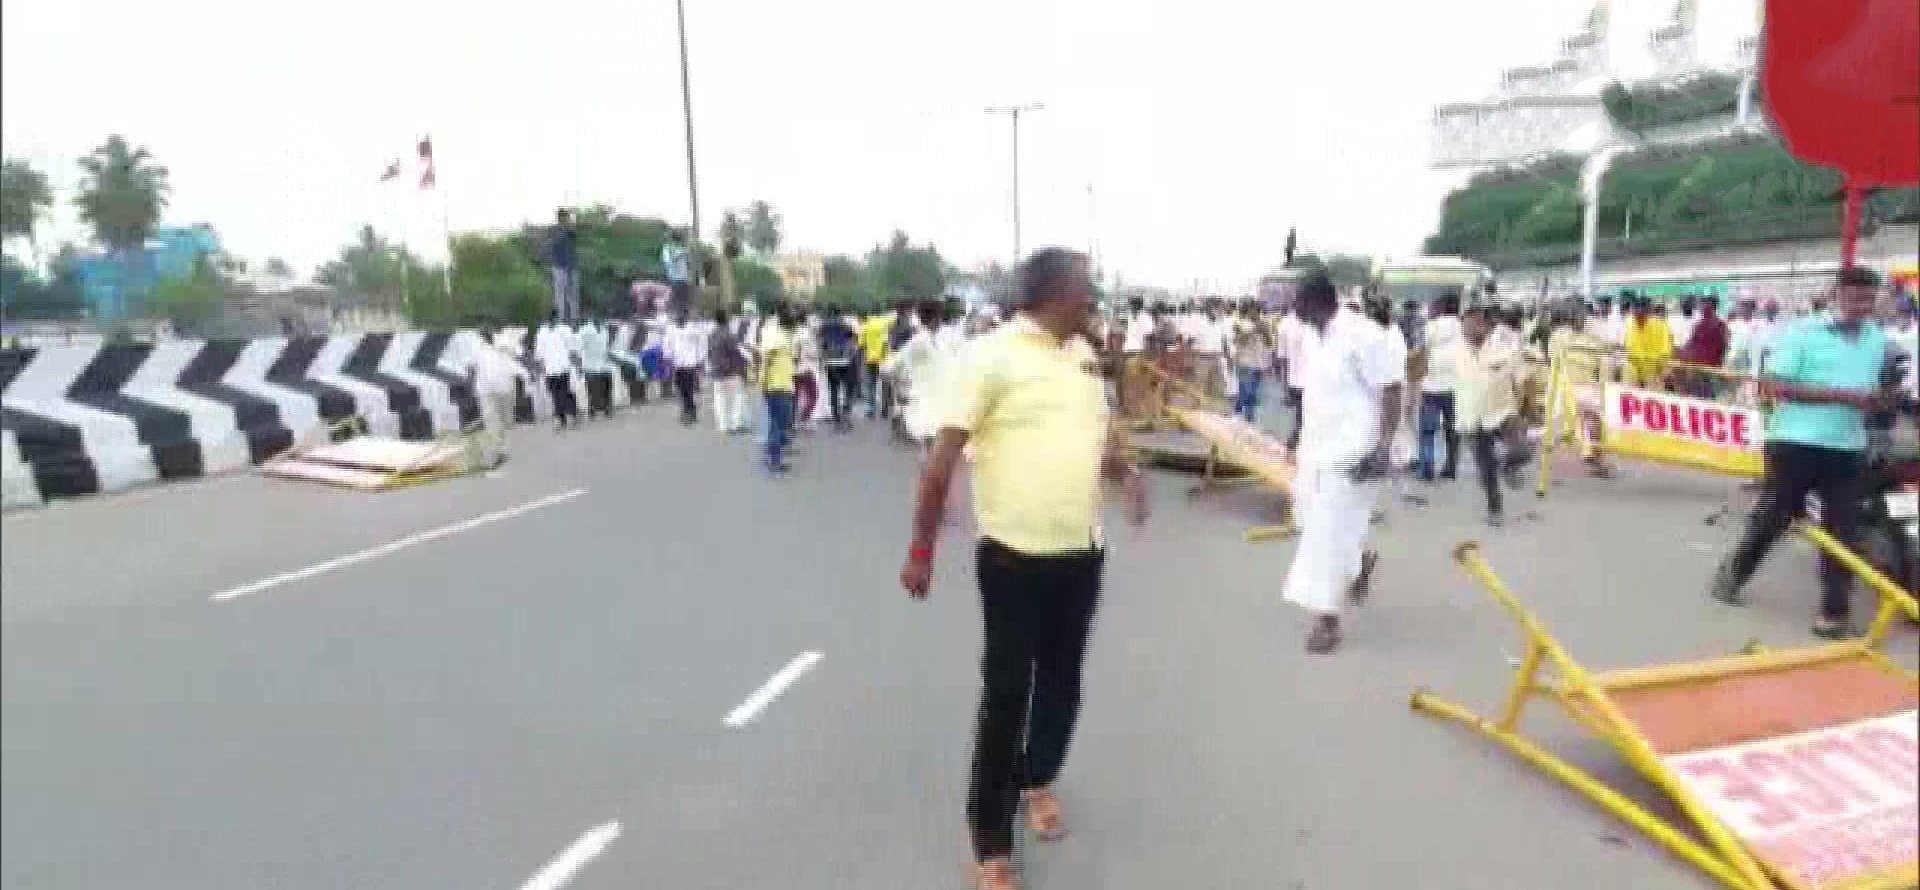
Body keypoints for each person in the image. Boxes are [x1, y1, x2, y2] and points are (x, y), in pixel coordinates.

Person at [899, 247, 1146, 890]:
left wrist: (1126, 473)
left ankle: (1037, 777)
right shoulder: (992, 356)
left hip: (1081, 557)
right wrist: (922, 548)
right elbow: (944, 457)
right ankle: (989, 838)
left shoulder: (1085, 358)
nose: (1091, 298)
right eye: (1083, 289)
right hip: (1013, 559)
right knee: (1008, 692)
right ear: (1050, 294)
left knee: (1063, 683)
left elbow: (1098, 436)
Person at [1710, 268, 1897, 639]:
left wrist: (1883, 401)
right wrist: (1843, 397)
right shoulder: (1801, 333)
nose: (1861, 306)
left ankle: (1834, 612)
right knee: (1775, 518)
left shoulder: (1878, 341)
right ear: (1835, 295)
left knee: (1843, 530)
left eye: (1868, 300)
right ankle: (1735, 572)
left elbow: (1875, 388)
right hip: (1794, 443)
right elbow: (1776, 387)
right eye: (1854, 298)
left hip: (1847, 447)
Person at [1282, 271, 1404, 654]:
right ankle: (1358, 564)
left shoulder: (1363, 335)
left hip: (1354, 454)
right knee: (1317, 526)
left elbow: (1393, 388)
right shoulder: (1308, 338)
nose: (1293, 308)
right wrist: (1295, 437)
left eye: (1297, 301)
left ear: (1318, 301)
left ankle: (1327, 621)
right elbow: (1311, 394)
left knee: (1325, 533)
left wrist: (1383, 447)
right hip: (1315, 451)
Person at [1455, 306, 1528, 525]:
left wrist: (1525, 411)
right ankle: (1494, 507)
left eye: (1474, 323)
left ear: (1487, 326)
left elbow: (1522, 379)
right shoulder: (1456, 349)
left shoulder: (1506, 347)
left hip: (1504, 411)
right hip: (1472, 416)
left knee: (1522, 450)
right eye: (1465, 324)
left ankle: (1508, 466)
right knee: (1485, 468)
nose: (1468, 328)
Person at [1547, 300, 1616, 477]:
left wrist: (1603, 385)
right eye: (1574, 315)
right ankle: (1590, 455)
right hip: (1566, 386)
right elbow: (1553, 360)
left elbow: (1604, 363)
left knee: (1593, 422)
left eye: (1581, 315)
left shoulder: (1594, 338)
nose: (1578, 318)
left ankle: (1593, 456)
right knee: (1581, 423)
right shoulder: (1559, 336)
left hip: (1588, 386)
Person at [1417, 295, 1462, 481]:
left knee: (1428, 431)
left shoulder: (1430, 327)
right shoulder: (1462, 327)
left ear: (1440, 306)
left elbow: (1421, 350)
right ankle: (1450, 469)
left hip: (1431, 386)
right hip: (1456, 387)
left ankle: (1427, 469)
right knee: (1453, 430)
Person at [464, 327, 522, 465]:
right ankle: (496, 453)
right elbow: (470, 367)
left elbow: (516, 359)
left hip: (505, 388)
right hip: (486, 391)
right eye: (483, 334)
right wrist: (471, 385)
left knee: (506, 421)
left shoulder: (504, 344)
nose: (486, 336)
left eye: (488, 333)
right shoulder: (477, 349)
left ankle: (501, 449)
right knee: (492, 421)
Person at [758, 304, 799, 474]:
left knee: (777, 422)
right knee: (778, 424)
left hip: (781, 384)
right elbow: (766, 362)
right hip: (777, 385)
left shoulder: (784, 336)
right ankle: (774, 459)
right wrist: (763, 382)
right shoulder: (778, 339)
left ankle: (772, 456)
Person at [1674, 296, 1730, 398]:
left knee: (1708, 395)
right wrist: (1680, 352)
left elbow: (1725, 347)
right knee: (1696, 395)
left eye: (1706, 305)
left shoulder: (1721, 325)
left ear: (1714, 307)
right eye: (1702, 304)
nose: (1703, 307)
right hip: (1697, 368)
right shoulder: (1698, 325)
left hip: (1711, 369)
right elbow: (1691, 343)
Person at [707, 308, 751, 434]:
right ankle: (736, 423)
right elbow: (737, 349)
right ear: (726, 319)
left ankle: (723, 425)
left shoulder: (711, 335)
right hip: (731, 370)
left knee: (720, 399)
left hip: (717, 370)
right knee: (737, 397)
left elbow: (709, 353)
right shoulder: (729, 335)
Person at [1229, 300, 1274, 423]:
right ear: (1248, 311)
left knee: (1251, 390)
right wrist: (1252, 331)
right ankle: (1246, 415)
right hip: (1243, 362)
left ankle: (1241, 413)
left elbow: (1270, 344)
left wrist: (1265, 333)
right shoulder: (1240, 324)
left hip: (1258, 363)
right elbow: (1237, 341)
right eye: (1252, 310)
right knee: (1246, 390)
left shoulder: (1265, 324)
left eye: (1257, 310)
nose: (1254, 313)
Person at [815, 305, 859, 431]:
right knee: (849, 389)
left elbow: (820, 343)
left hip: (830, 362)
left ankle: (836, 418)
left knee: (833, 389)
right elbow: (854, 340)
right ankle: (846, 415)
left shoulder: (823, 327)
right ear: (840, 313)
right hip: (846, 361)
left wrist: (822, 358)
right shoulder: (846, 325)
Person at [533, 314, 581, 429]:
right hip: (550, 369)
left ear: (557, 319)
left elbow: (573, 349)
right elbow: (539, 353)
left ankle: (571, 415)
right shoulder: (542, 333)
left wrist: (578, 365)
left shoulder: (565, 330)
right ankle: (562, 418)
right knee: (555, 395)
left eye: (553, 319)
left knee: (565, 392)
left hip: (563, 367)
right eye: (549, 320)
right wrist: (539, 369)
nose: (551, 321)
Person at [664, 308, 707, 425]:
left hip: (690, 363)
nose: (679, 316)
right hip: (677, 364)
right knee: (680, 388)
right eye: (677, 314)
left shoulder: (693, 329)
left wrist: (700, 361)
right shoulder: (670, 329)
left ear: (686, 315)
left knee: (689, 389)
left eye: (681, 314)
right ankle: (687, 409)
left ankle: (689, 412)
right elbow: (667, 345)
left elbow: (701, 345)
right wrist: (668, 361)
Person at [1624, 298, 1674, 389]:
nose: (1639, 312)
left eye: (1642, 309)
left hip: (1655, 373)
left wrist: (1662, 372)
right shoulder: (1630, 325)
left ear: (1649, 310)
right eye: (1636, 309)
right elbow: (1629, 349)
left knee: (1654, 396)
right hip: (1635, 372)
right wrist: (1636, 376)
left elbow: (1665, 352)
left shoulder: (1661, 325)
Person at [545, 209, 579, 323]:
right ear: (559, 218)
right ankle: (561, 320)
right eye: (563, 217)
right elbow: (553, 243)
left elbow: (575, 233)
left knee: (572, 295)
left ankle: (573, 320)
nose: (565, 219)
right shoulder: (554, 230)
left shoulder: (570, 230)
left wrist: (569, 225)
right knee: (560, 294)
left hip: (571, 266)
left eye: (567, 217)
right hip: (559, 266)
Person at [576, 317, 614, 419]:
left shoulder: (604, 329)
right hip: (590, 364)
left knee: (607, 386)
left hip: (604, 363)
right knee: (592, 388)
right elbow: (579, 348)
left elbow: (607, 346)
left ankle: (607, 408)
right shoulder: (584, 330)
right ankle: (592, 409)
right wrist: (580, 364)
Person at [861, 309, 894, 418]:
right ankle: (885, 409)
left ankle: (871, 409)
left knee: (870, 385)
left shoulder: (866, 325)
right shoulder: (887, 323)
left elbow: (862, 344)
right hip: (884, 358)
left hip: (870, 358)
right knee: (885, 384)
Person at [792, 310, 822, 431]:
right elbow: (812, 351)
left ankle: (794, 420)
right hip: (806, 367)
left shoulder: (792, 331)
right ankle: (804, 418)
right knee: (813, 394)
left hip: (795, 367)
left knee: (795, 394)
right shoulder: (806, 333)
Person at [662, 229, 693, 315]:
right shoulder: (668, 248)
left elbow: (688, 264)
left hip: (684, 278)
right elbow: (667, 262)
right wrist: (679, 255)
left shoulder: (684, 248)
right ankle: (674, 317)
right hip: (674, 278)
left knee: (683, 303)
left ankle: (682, 318)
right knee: (675, 301)